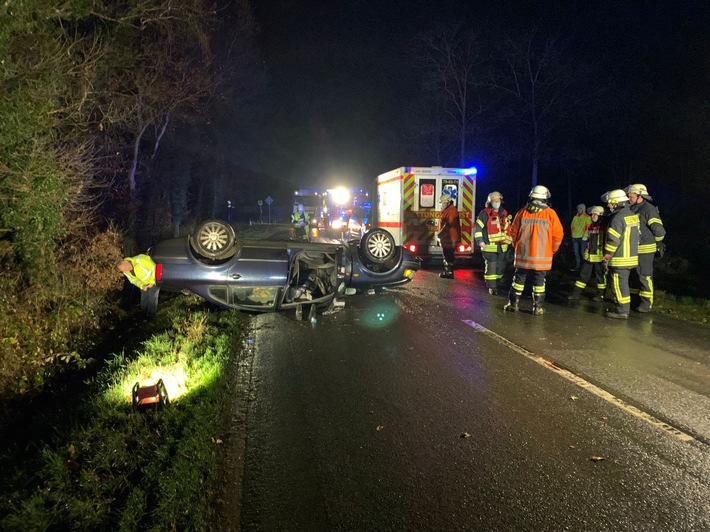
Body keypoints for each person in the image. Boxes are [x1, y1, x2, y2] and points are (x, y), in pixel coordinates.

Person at [504, 185, 564, 315]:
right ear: (545, 199)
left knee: (519, 279)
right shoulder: (550, 214)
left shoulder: (522, 212)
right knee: (539, 282)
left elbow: (513, 232)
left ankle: (513, 305)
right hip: (542, 257)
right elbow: (558, 235)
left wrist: (516, 246)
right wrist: (552, 249)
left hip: (523, 255)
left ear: (531, 197)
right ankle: (537, 308)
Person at [625, 183, 666, 313]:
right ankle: (636, 299)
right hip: (633, 248)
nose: (628, 198)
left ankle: (646, 303)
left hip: (645, 249)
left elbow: (659, 231)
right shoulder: (633, 209)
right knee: (634, 276)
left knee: (644, 275)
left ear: (639, 195)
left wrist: (658, 244)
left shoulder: (649, 209)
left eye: (630, 196)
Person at [602, 189, 641, 319]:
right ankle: (623, 309)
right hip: (631, 257)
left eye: (611, 203)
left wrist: (607, 255)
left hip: (620, 258)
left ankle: (622, 311)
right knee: (624, 284)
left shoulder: (617, 218)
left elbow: (613, 240)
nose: (609, 206)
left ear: (617, 203)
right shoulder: (632, 215)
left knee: (618, 285)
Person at [474, 191, 512, 295]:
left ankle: (497, 283)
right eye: (494, 201)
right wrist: (480, 241)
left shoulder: (504, 213)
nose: (497, 202)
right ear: (490, 202)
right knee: (491, 266)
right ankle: (492, 287)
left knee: (500, 267)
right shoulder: (484, 214)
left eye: (498, 200)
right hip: (489, 247)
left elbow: (508, 229)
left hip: (502, 247)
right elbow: (478, 229)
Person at [567, 206, 607, 303]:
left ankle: (601, 294)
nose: (592, 216)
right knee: (583, 275)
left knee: (600, 276)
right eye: (592, 214)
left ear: (600, 215)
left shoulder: (604, 227)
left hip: (600, 256)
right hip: (589, 255)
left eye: (595, 214)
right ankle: (576, 294)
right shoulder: (591, 226)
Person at [438, 193, 461, 279]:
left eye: (443, 203)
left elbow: (449, 224)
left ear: (448, 202)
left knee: (448, 255)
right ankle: (448, 271)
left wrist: (440, 235)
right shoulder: (448, 210)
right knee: (447, 254)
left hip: (450, 237)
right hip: (447, 237)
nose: (442, 204)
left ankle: (449, 272)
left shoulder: (451, 210)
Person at [570, 203, 591, 271]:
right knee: (576, 253)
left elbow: (588, 227)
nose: (579, 210)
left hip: (583, 238)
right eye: (578, 208)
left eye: (580, 209)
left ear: (583, 209)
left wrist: (585, 236)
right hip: (575, 237)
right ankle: (578, 267)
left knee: (583, 253)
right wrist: (573, 234)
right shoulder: (575, 217)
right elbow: (572, 226)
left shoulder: (587, 217)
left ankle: (585, 268)